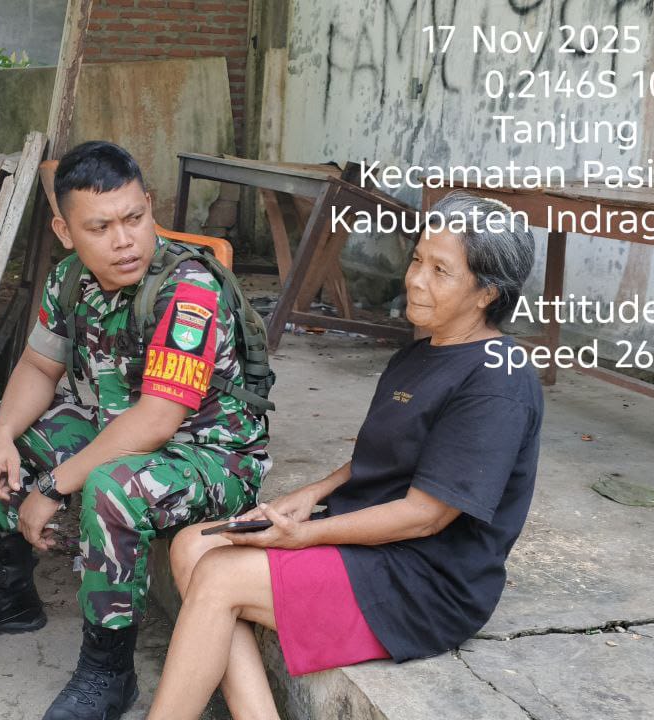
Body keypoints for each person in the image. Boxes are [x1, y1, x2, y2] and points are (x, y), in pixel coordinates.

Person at [147, 191, 544, 718]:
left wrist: (304, 535)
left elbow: (426, 516)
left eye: (440, 271)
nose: (415, 280)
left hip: (426, 581)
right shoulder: (420, 353)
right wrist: (311, 494)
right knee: (192, 546)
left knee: (220, 577)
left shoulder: (497, 380)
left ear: (486, 293)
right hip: (375, 545)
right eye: (418, 260)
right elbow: (388, 453)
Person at [0, 141, 272, 720]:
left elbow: (158, 420)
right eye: (100, 227)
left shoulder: (187, 289)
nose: (124, 241)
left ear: (149, 206)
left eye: (134, 218)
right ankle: (9, 592)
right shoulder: (71, 278)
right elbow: (38, 366)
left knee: (113, 485)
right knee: (2, 427)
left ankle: (108, 671)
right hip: (124, 434)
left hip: (213, 460)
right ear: (66, 232)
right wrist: (1, 438)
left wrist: (52, 487)